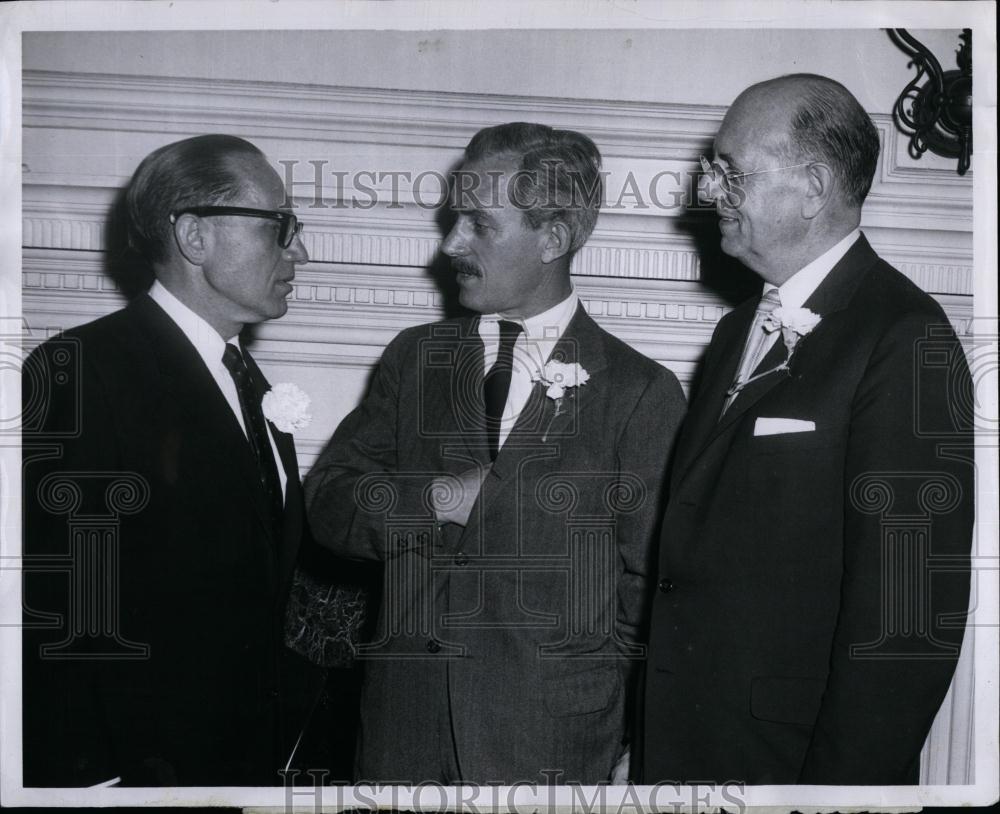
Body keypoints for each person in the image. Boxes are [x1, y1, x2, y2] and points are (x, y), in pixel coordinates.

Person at [305, 122, 686, 784]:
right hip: (402, 742)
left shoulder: (639, 392)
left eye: (479, 223)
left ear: (554, 236)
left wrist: (619, 731)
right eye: (454, 217)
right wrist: (437, 500)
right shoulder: (415, 360)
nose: (451, 241)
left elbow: (651, 590)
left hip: (550, 752)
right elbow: (329, 504)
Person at [640, 74, 974, 785]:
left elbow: (908, 621)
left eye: (730, 171)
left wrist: (841, 797)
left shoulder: (907, 338)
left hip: (791, 770)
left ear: (814, 186)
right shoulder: (735, 332)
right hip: (688, 751)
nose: (707, 192)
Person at [22, 134, 325, 786]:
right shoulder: (83, 371)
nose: (300, 250)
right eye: (280, 226)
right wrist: (87, 777)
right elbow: (56, 595)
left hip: (237, 767)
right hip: (131, 777)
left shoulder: (254, 387)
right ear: (195, 236)